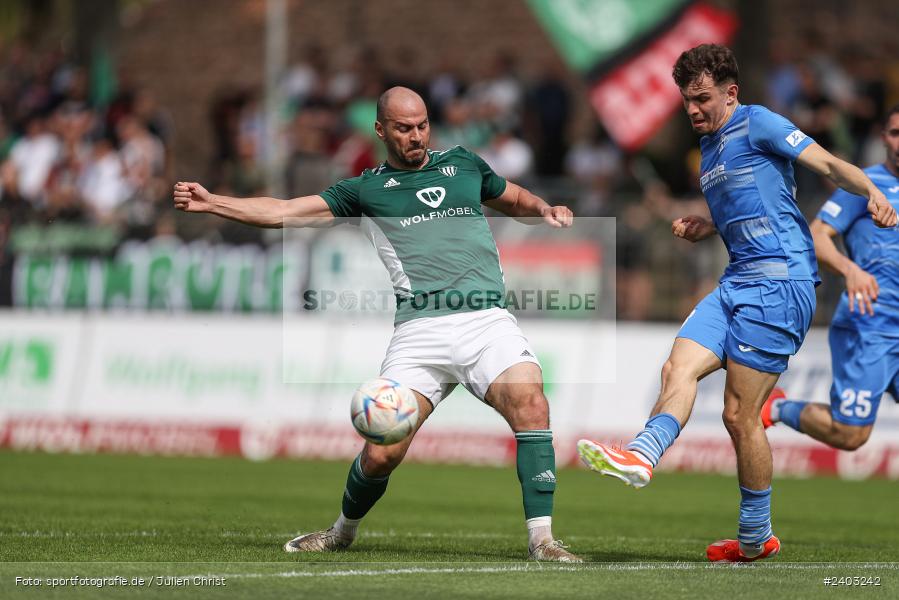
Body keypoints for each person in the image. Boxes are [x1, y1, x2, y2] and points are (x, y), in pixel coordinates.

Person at [173, 87, 581, 563]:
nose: (417, 136)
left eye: (423, 125)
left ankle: (543, 542)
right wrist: (214, 202)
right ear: (381, 130)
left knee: (532, 404)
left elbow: (512, 198)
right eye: (405, 128)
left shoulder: (465, 165)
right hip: (420, 332)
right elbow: (285, 211)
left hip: (486, 321)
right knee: (383, 451)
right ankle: (341, 531)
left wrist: (544, 209)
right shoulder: (366, 189)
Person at [576, 44, 897, 563]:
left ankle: (755, 538)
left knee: (738, 415)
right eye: (686, 100)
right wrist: (709, 226)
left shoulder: (760, 123)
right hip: (737, 281)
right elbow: (751, 210)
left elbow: (828, 164)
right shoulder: (709, 148)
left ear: (731, 92)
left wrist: (871, 193)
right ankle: (641, 454)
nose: (692, 109)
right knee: (675, 367)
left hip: (781, 284)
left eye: (701, 98)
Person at [761, 105, 899, 450]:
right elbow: (817, 235)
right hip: (871, 326)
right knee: (849, 434)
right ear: (884, 138)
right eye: (897, 133)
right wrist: (851, 270)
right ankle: (776, 407)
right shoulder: (868, 186)